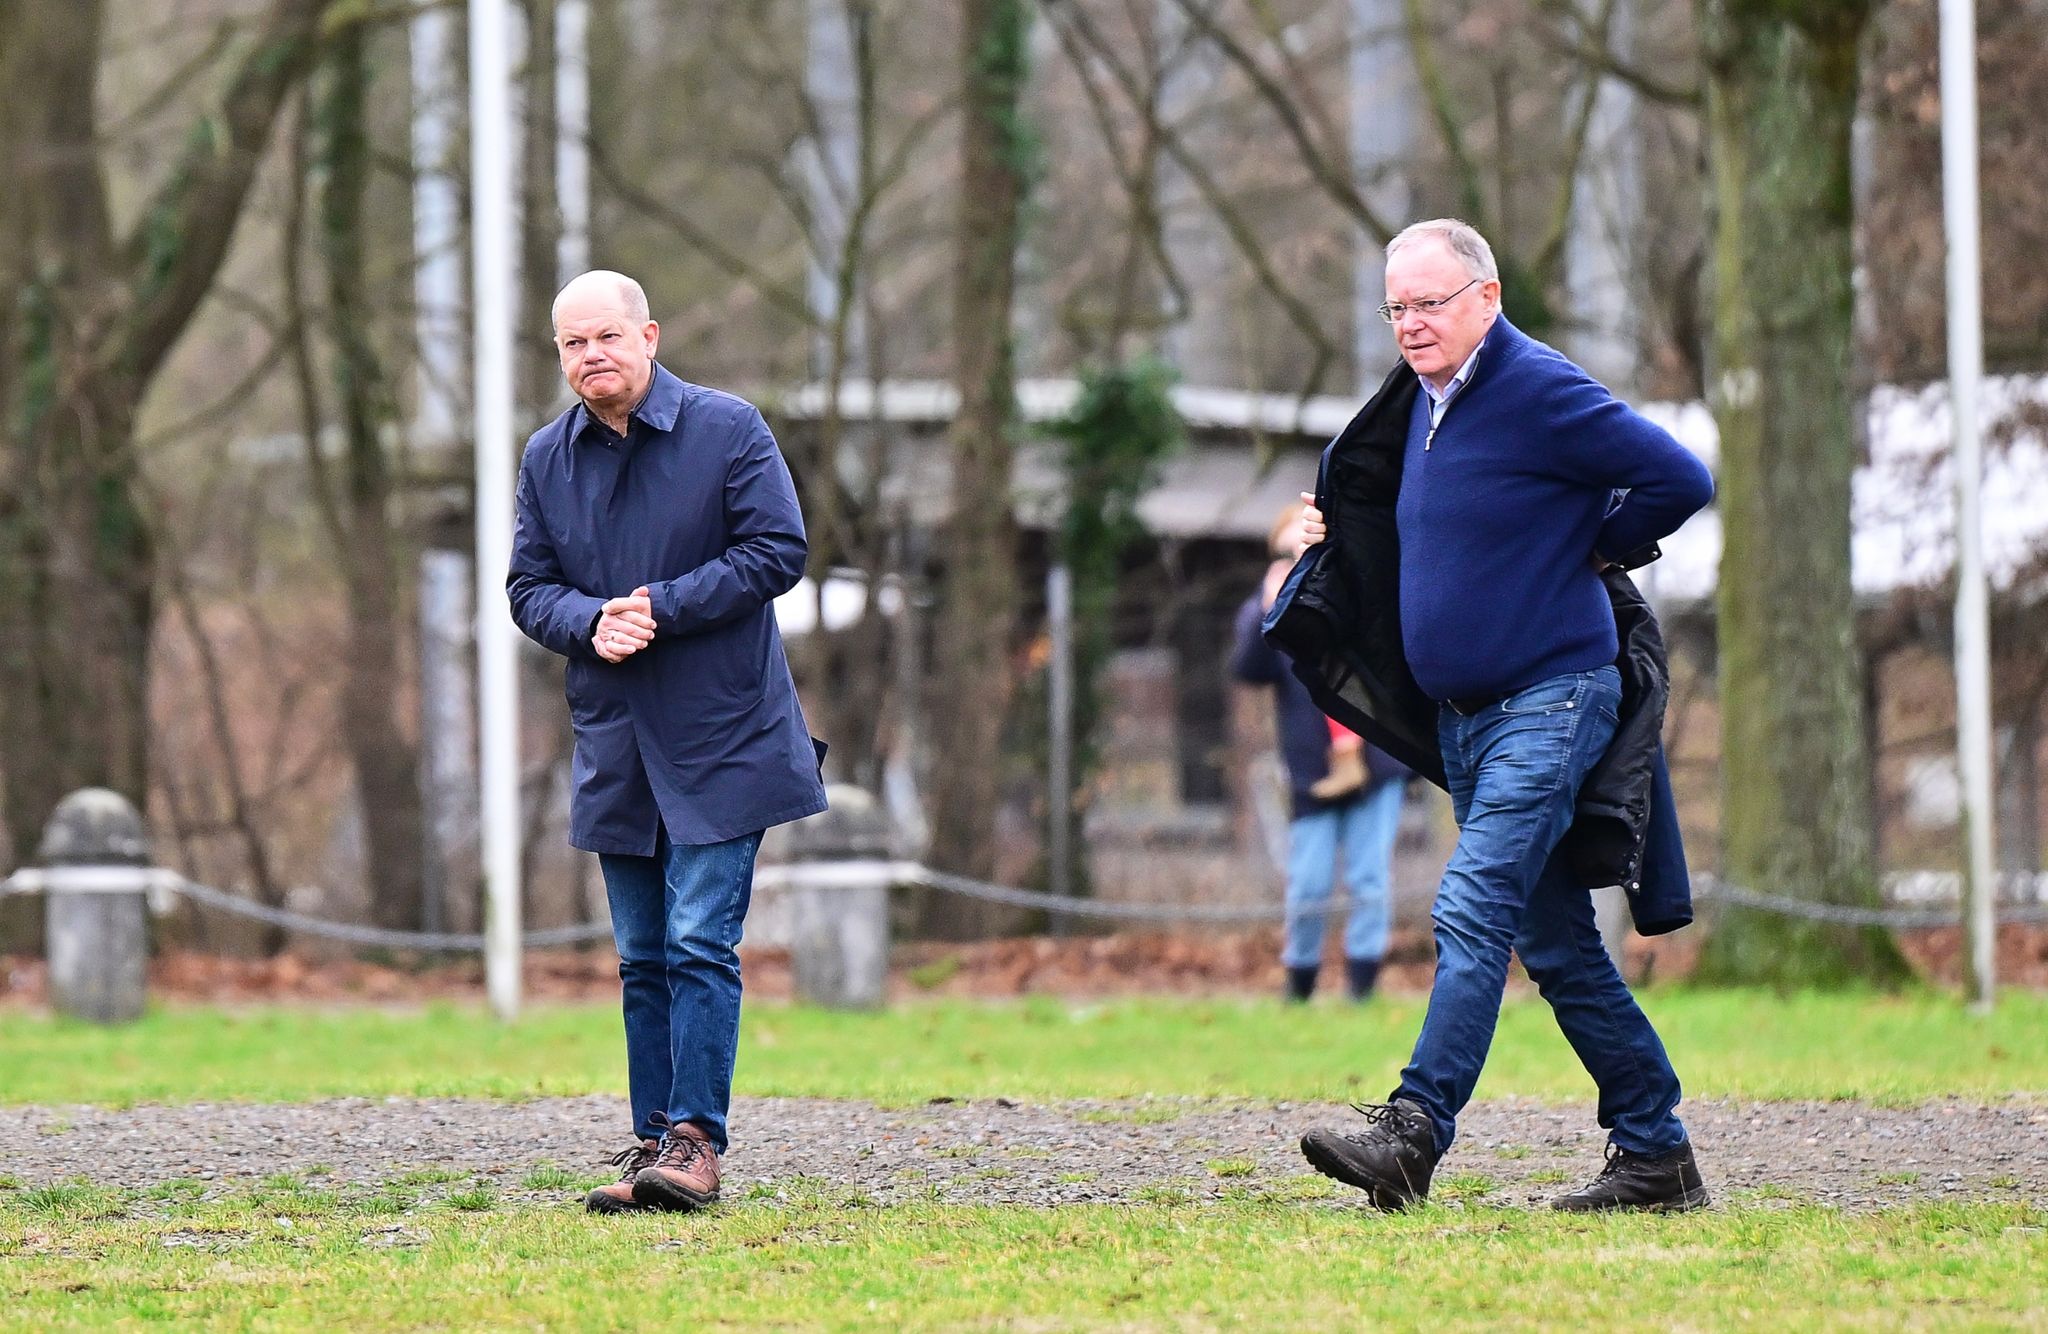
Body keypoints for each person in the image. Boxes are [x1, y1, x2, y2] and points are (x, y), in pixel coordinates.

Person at [1267, 219, 1715, 1212]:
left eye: (1428, 303)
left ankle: (1411, 1128)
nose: (1409, 324)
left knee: (1469, 905)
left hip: (1550, 698)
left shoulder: (1537, 387)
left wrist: (1598, 547)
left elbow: (1680, 478)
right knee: (1554, 946)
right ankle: (1654, 1152)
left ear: (1486, 296)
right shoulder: (1419, 405)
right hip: (1467, 719)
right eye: (1394, 307)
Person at [508, 270, 828, 1214]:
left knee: (698, 942)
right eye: (571, 344)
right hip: (615, 741)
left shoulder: (729, 429)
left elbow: (778, 550)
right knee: (642, 954)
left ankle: (695, 1143)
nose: (589, 356)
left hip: (725, 731)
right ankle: (651, 1143)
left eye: (605, 336)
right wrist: (586, 621)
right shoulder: (544, 458)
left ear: (649, 335)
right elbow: (528, 587)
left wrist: (660, 608)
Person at [1231, 503, 1409, 1003]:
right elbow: (1247, 670)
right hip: (1312, 771)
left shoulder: (1361, 586)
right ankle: (1300, 984)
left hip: (1375, 762)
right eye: (1288, 550)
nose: (1297, 558)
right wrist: (1266, 614)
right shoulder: (1270, 605)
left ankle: (1361, 989)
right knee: (1307, 886)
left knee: (1369, 879)